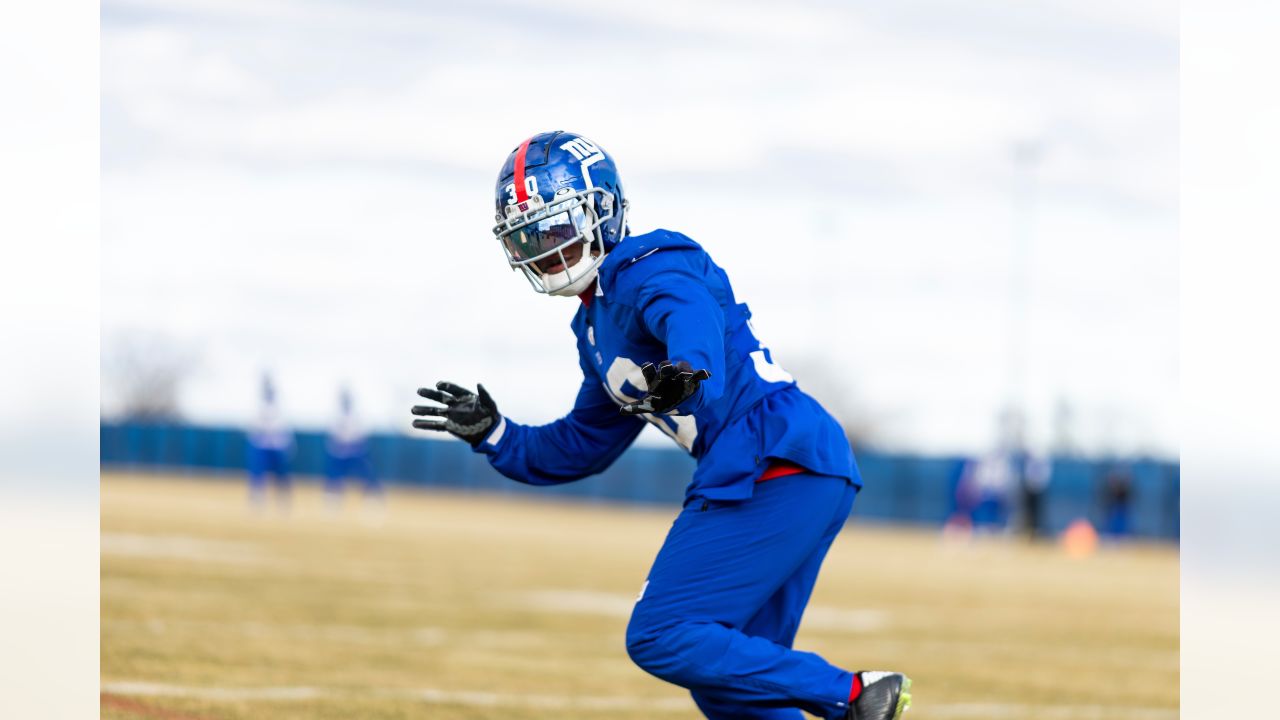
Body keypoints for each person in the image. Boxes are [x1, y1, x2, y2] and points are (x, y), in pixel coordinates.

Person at [411, 131, 911, 720]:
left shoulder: (647, 261)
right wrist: (495, 434)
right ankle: (847, 698)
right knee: (727, 680)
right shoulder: (593, 328)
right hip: (798, 465)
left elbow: (686, 312)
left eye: (552, 225)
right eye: (528, 235)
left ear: (601, 208)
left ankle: (855, 695)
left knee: (662, 632)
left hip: (771, 454)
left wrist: (688, 367)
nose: (543, 246)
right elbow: (582, 445)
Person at [323, 388, 379, 510]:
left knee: (367, 474)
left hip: (356, 451)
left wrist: (355, 447)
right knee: (334, 475)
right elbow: (332, 436)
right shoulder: (335, 415)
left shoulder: (358, 414)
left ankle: (372, 500)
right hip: (340, 453)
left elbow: (362, 435)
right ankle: (333, 500)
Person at [247, 373, 293, 510]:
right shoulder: (259, 406)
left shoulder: (280, 407)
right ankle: (257, 498)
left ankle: (283, 500)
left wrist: (287, 444)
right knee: (258, 472)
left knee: (281, 474)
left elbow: (284, 428)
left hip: (278, 445)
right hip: (262, 445)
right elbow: (254, 427)